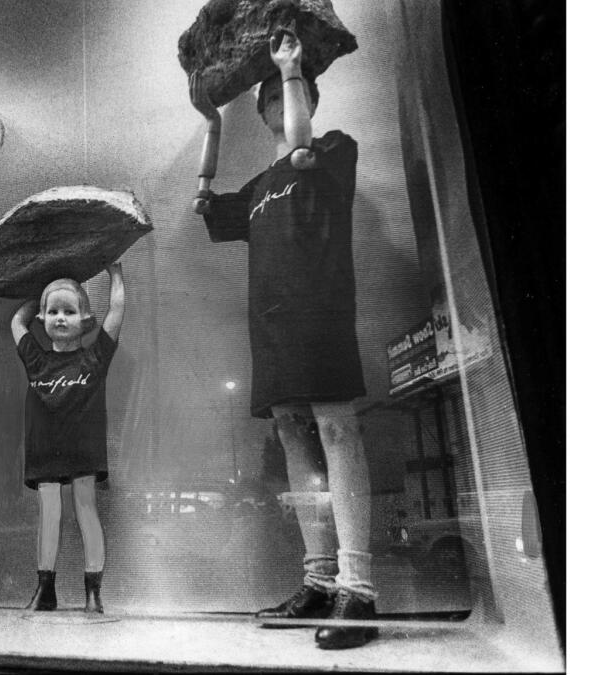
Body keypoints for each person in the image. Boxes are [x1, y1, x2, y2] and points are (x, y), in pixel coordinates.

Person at [190, 29, 378, 649]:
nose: (276, 96)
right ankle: (319, 581)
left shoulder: (332, 149)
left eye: (287, 89)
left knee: (338, 429)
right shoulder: (256, 190)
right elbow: (204, 202)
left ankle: (360, 591)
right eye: (267, 92)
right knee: (296, 440)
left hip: (319, 312)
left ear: (307, 97)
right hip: (270, 325)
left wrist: (291, 65)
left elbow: (297, 142)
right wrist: (212, 125)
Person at [10, 264, 125, 614]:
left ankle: (93, 591)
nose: (61, 318)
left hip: (83, 451)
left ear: (85, 318)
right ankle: (45, 589)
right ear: (43, 316)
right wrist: (38, 285)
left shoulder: (95, 356)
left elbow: (117, 310)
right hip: (44, 451)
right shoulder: (36, 358)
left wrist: (115, 274)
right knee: (49, 514)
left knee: (86, 511)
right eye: (54, 311)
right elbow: (17, 322)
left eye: (70, 311)